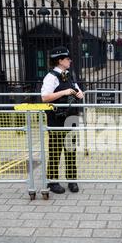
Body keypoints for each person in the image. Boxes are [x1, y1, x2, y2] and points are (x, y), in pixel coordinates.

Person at [41, 46, 84, 194]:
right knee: (55, 150)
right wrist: (64, 92)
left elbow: (78, 91)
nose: (70, 60)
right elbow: (45, 97)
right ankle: (52, 182)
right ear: (60, 61)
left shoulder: (69, 75)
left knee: (71, 150)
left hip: (70, 118)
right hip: (56, 119)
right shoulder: (51, 77)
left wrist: (79, 93)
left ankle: (72, 180)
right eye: (67, 59)